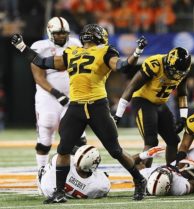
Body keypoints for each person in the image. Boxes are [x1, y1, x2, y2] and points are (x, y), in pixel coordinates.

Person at [11, 23, 148, 203]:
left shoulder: (80, 52)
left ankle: (139, 180)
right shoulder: (79, 52)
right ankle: (59, 192)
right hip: (77, 107)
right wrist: (136, 52)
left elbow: (41, 62)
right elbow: (123, 66)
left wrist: (22, 47)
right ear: (98, 37)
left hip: (96, 106)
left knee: (114, 150)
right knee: (64, 149)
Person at [114, 47, 192, 168]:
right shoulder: (155, 64)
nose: (176, 75)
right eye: (175, 71)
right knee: (151, 142)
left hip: (160, 103)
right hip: (142, 101)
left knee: (173, 140)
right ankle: (143, 175)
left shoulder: (183, 69)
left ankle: (171, 171)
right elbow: (131, 87)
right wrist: (118, 115)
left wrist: (183, 117)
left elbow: (182, 93)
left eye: (179, 73)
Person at [31, 17, 87, 171]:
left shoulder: (76, 44)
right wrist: (56, 93)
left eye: (64, 33)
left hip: (72, 96)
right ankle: (41, 172)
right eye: (58, 33)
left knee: (78, 136)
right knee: (46, 132)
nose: (62, 36)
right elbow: (38, 77)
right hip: (47, 97)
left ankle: (80, 172)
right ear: (50, 32)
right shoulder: (40, 47)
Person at [39, 145, 110, 199]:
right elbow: (104, 191)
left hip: (47, 187)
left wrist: (77, 150)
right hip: (77, 192)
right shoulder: (99, 185)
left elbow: (59, 154)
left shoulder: (59, 162)